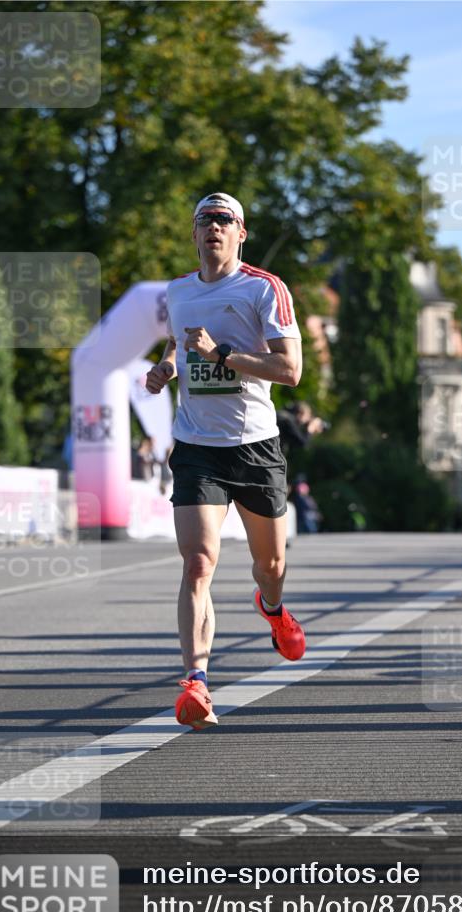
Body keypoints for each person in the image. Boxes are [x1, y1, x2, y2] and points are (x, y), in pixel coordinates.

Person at [145, 192, 306, 730]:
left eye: (224, 219)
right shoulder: (178, 291)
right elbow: (177, 342)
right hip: (196, 447)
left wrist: (220, 354)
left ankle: (273, 609)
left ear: (241, 233)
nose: (214, 227)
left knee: (271, 567)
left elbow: (290, 370)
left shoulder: (264, 288)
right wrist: (167, 367)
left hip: (255, 447)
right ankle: (196, 682)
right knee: (198, 563)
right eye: (205, 220)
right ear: (194, 233)